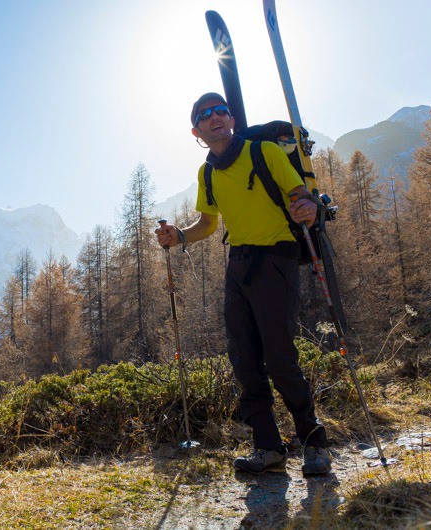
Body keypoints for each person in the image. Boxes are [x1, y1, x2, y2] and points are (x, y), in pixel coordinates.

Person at [155, 92, 331, 475]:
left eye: (220, 111)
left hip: (277, 259)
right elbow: (207, 224)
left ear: (231, 119)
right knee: (244, 358)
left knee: (280, 356)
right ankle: (268, 447)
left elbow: (298, 194)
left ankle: (314, 443)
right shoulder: (207, 174)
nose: (214, 117)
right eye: (205, 114)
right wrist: (178, 237)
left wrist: (306, 206)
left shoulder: (264, 153)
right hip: (239, 265)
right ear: (196, 130)